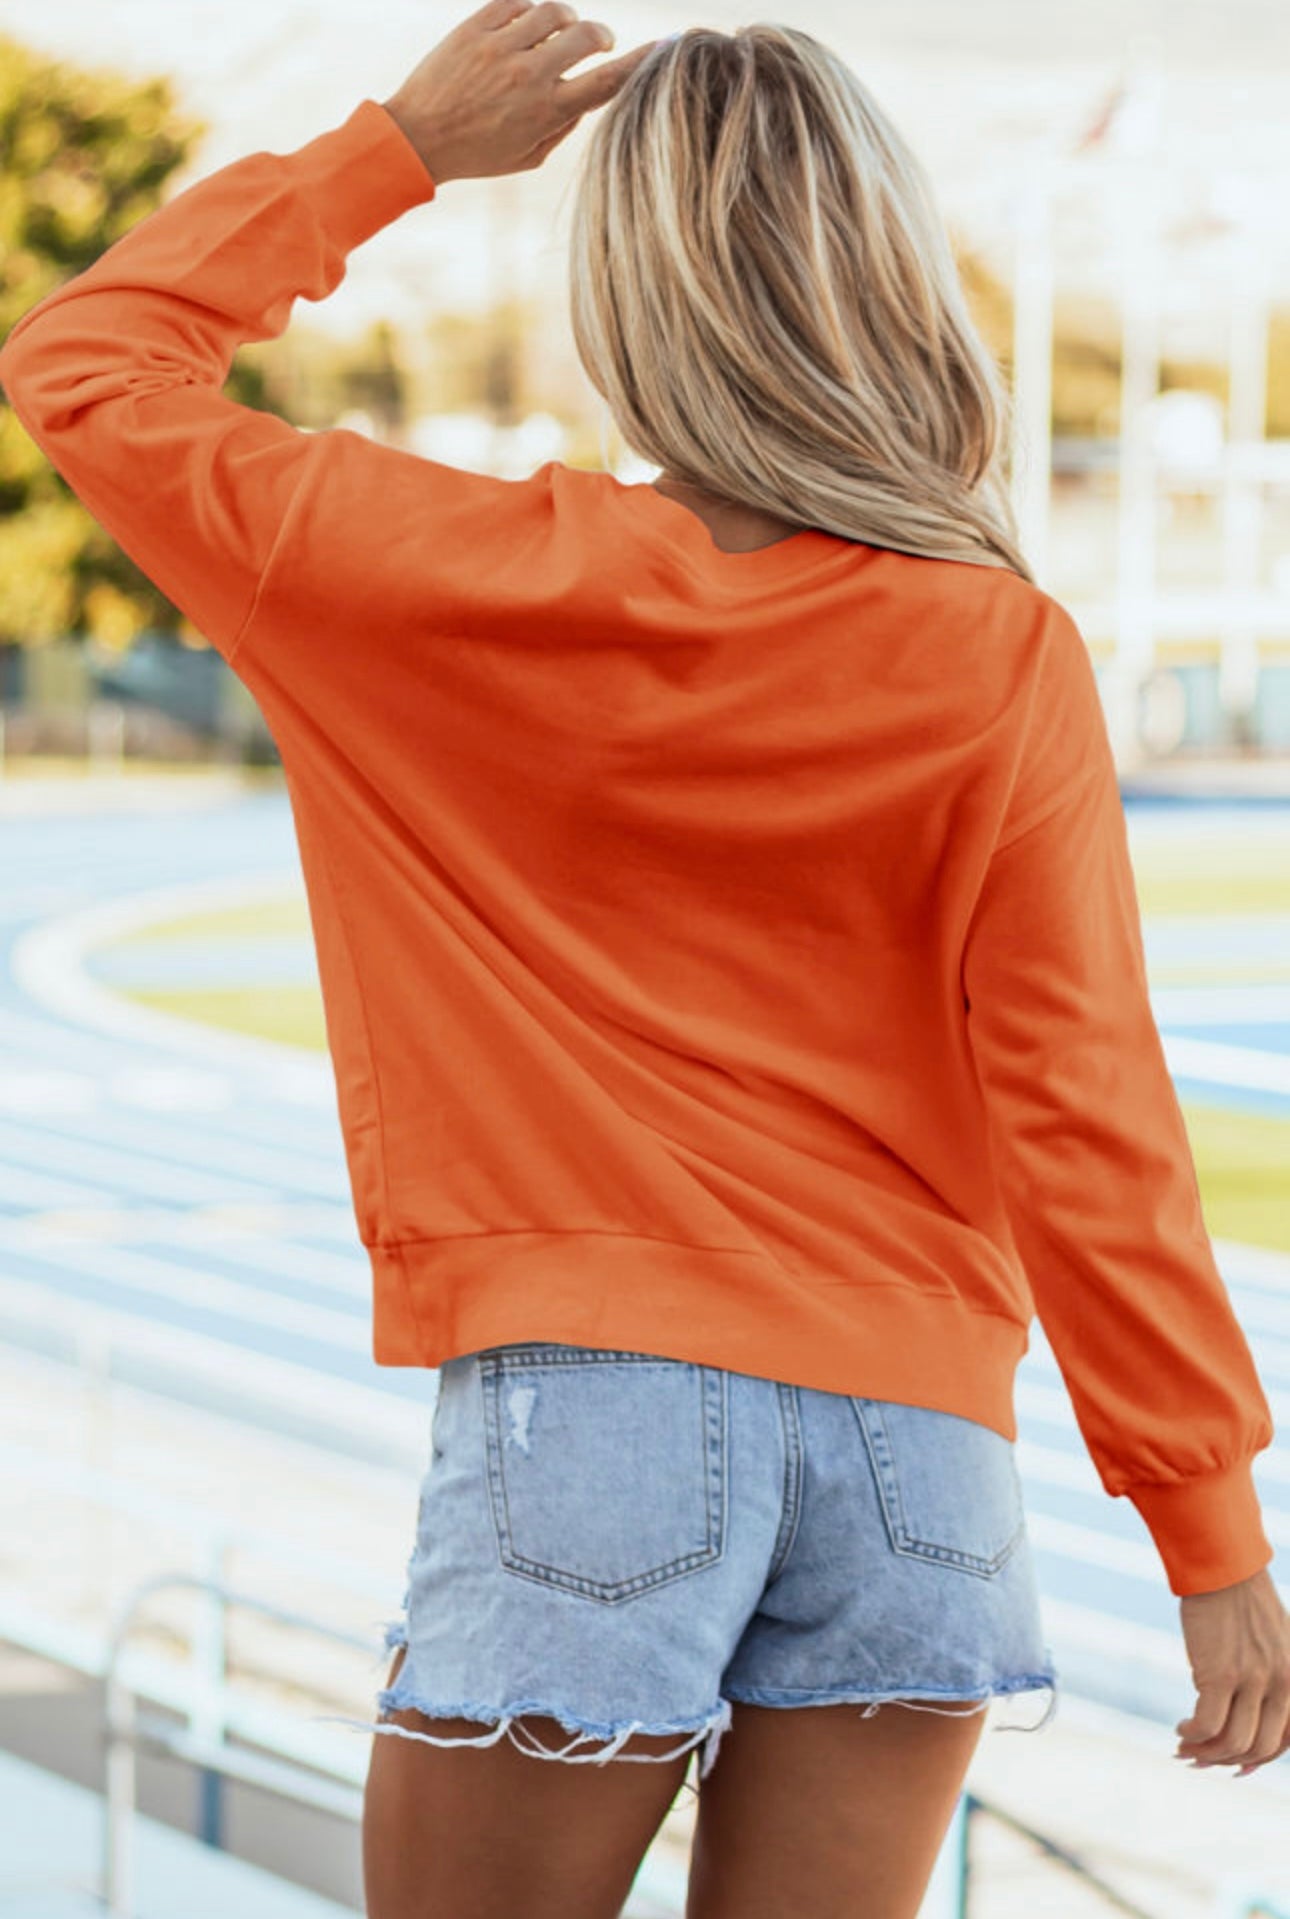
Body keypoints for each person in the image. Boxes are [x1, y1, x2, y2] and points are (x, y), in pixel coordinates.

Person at [1, 4, 1286, 1914]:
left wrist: (400, 147)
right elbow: (1084, 1102)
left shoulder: (422, 574)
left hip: (592, 1414)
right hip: (922, 1449)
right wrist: (1208, 1537)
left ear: (624, 294)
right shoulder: (1001, 651)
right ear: (881, 280)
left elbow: (86, 361)